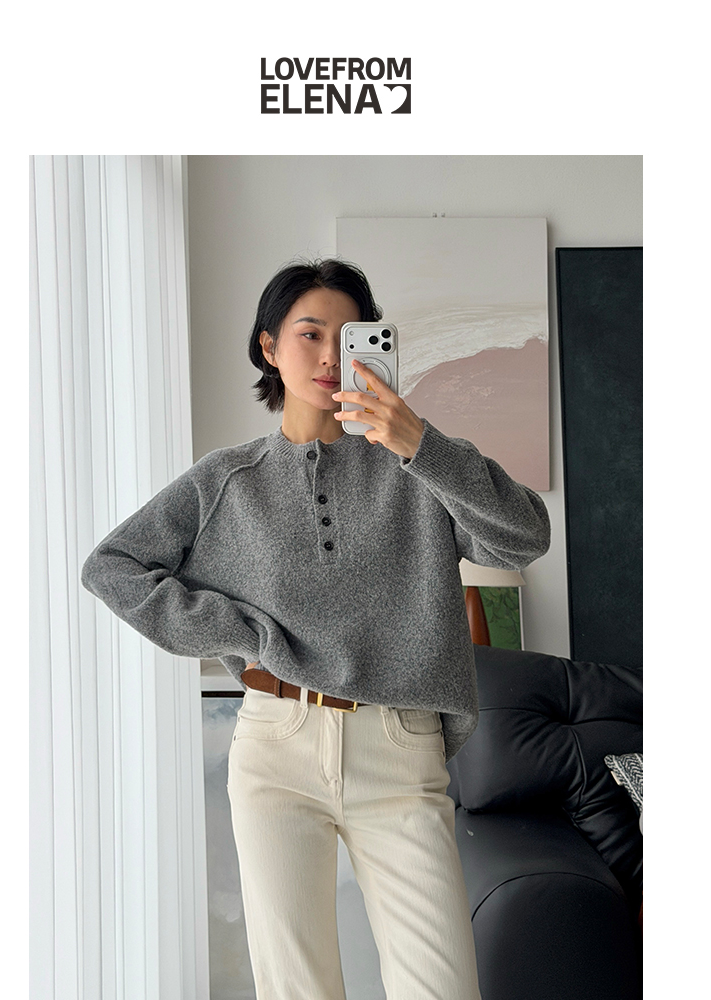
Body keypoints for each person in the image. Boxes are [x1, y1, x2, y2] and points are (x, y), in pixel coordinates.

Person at [81, 257, 551, 1000]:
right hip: (276, 746)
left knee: (443, 987)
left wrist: (420, 443)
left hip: (400, 747)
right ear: (269, 346)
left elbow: (523, 539)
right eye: (310, 334)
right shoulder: (226, 479)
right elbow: (112, 566)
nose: (331, 355)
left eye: (348, 335)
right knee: (297, 989)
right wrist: (238, 632)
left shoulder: (417, 466)